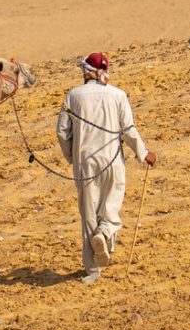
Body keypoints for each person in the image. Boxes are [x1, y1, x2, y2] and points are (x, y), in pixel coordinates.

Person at [55, 52, 152, 283]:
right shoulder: (118, 95)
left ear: (86, 72)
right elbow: (128, 129)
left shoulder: (73, 96)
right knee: (111, 207)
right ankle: (106, 232)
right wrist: (144, 154)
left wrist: (72, 157)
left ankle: (92, 271)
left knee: (88, 214)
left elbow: (62, 132)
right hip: (113, 160)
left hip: (85, 161)